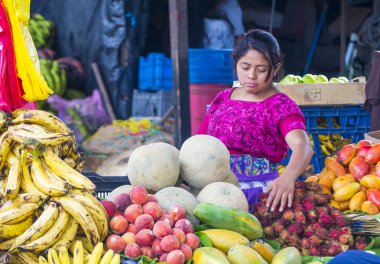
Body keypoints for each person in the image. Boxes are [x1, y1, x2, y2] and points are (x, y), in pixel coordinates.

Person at [197, 29, 313, 212]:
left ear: (275, 69)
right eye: (245, 67)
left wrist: (288, 178)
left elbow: (303, 147)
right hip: (213, 195)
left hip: (261, 198)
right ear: (235, 64)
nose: (251, 75)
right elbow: (198, 143)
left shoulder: (280, 105)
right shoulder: (223, 98)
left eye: (261, 70)